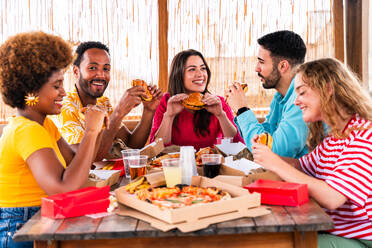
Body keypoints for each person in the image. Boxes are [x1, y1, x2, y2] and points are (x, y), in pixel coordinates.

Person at [0, 32, 107, 248]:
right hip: (21, 229)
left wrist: (97, 129)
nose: (64, 93)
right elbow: (64, 188)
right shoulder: (27, 130)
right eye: (56, 86)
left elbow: (76, 162)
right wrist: (90, 132)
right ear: (30, 91)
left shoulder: (43, 124)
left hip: (40, 221)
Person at [252, 58, 372, 247]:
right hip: (333, 230)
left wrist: (274, 163)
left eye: (302, 92)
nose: (296, 101)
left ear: (328, 89)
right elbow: (300, 166)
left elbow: (333, 198)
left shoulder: (363, 135)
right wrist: (267, 154)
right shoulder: (336, 136)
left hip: (360, 240)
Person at [54, 41, 162, 161]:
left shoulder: (103, 103)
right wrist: (118, 113)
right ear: (76, 71)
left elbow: (132, 145)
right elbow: (87, 159)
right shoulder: (65, 108)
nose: (101, 75)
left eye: (106, 69)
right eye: (92, 68)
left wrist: (148, 110)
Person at [225, 30, 308, 158]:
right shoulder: (280, 97)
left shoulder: (301, 99)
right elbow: (266, 135)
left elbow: (275, 153)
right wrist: (238, 110)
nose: (256, 68)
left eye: (261, 62)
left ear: (283, 66)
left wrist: (242, 110)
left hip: (304, 176)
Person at [150, 49, 243, 151]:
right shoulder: (166, 101)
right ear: (178, 74)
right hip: (176, 165)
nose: (200, 74)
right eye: (192, 69)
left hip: (209, 165)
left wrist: (221, 115)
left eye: (203, 68)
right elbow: (156, 149)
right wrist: (169, 116)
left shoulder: (217, 102)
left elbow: (237, 146)